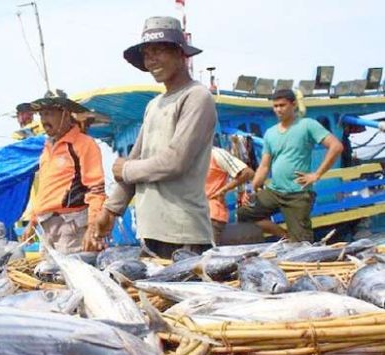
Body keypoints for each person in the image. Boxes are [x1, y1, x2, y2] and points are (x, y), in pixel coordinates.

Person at [92, 16, 217, 259]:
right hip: (151, 230)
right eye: (147, 54)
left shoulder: (196, 97)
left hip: (183, 234)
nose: (151, 60)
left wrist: (126, 169)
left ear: (181, 54)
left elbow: (175, 161)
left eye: (159, 51)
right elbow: (137, 157)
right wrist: (110, 210)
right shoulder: (153, 105)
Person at [237, 89, 344, 242]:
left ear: (293, 105)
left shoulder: (307, 125)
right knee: (244, 214)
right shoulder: (270, 133)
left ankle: (298, 244)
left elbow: (336, 146)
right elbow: (264, 166)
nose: (278, 109)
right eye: (275, 106)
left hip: (297, 194)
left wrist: (316, 174)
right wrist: (252, 189)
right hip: (274, 191)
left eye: (282, 105)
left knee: (302, 243)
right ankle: (284, 235)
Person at [20, 90, 106, 253]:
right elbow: (44, 189)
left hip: (72, 225)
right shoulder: (47, 148)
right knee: (46, 274)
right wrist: (32, 222)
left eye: (49, 114)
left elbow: (96, 189)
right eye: (42, 115)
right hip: (46, 226)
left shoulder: (84, 144)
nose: (44, 120)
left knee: (70, 274)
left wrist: (93, 227)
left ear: (65, 115)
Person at [206, 147, 255, 244]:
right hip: (191, 216)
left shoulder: (216, 154)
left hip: (212, 215)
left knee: (208, 255)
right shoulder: (187, 156)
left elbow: (247, 173)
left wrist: (223, 190)